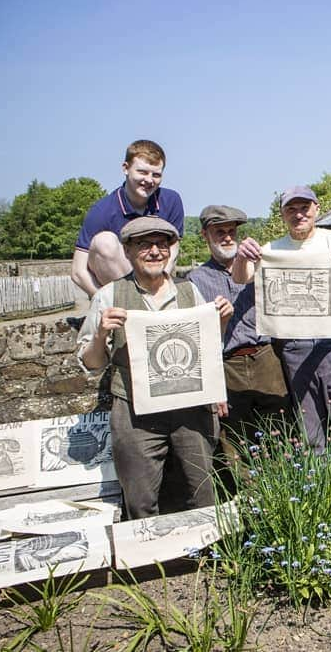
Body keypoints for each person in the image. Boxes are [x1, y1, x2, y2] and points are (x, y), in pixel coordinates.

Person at [76, 216, 233, 520]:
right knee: (139, 496)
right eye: (144, 245)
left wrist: (222, 320)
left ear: (171, 250)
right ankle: (147, 562)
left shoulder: (189, 293)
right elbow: (91, 364)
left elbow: (210, 349)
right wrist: (101, 334)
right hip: (136, 412)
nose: (154, 252)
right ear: (128, 251)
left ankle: (209, 556)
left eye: (162, 245)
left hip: (191, 406)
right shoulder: (109, 296)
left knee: (201, 489)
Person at [234, 185, 331, 475]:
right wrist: (242, 256)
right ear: (283, 214)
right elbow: (240, 278)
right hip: (294, 346)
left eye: (305, 208)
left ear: (316, 209)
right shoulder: (272, 250)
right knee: (311, 433)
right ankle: (323, 497)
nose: (299, 214)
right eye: (291, 209)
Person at [186, 205, 289, 454]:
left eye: (231, 231)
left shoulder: (261, 267)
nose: (227, 237)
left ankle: (280, 488)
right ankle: (244, 492)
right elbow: (197, 337)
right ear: (205, 235)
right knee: (234, 435)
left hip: (266, 358)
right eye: (219, 232)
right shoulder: (195, 279)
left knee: (280, 427)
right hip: (227, 363)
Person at [71, 140, 185, 298]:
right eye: (142, 172)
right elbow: (78, 272)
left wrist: (161, 282)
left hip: (157, 281)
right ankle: (130, 302)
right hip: (120, 289)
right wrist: (103, 302)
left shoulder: (172, 201)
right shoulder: (101, 211)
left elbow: (174, 247)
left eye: (156, 174)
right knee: (104, 241)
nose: (149, 180)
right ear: (125, 168)